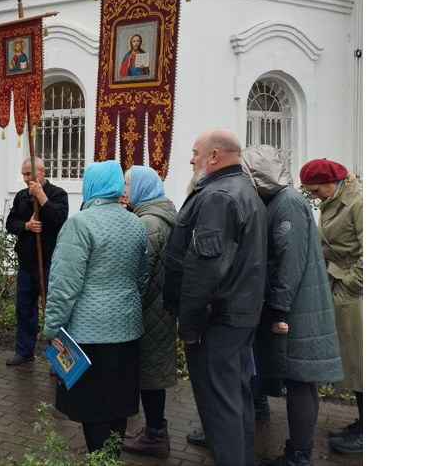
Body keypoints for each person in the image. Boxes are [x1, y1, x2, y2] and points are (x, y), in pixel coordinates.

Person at [162, 128, 268, 466]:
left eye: (195, 152)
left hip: (217, 322)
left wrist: (190, 328)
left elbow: (204, 270)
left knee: (220, 408)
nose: (191, 160)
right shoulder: (241, 190)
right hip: (237, 316)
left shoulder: (220, 196)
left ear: (214, 156)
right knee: (235, 400)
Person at [235, 145, 344, 466]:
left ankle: (299, 456)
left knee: (300, 379)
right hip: (298, 307)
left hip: (298, 311)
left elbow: (289, 263)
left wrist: (280, 310)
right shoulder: (282, 202)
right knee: (298, 377)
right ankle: (298, 452)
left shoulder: (288, 205)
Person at [43, 160, 149, 457]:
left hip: (88, 336)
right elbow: (142, 279)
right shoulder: (135, 222)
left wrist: (52, 328)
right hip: (127, 332)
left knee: (93, 410)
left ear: (91, 186)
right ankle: (111, 459)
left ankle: (101, 460)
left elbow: (64, 284)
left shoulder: (80, 223)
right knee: (117, 407)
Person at [300, 158, 363, 456]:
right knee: (354, 364)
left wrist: (350, 285)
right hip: (341, 286)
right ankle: (362, 423)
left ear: (331, 182)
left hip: (356, 292)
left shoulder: (358, 203)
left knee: (362, 363)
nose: (314, 196)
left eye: (315, 190)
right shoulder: (334, 199)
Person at [120, 165, 178, 458]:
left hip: (148, 310)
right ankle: (156, 431)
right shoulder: (159, 215)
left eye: (128, 185)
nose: (124, 192)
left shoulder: (148, 224)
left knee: (151, 373)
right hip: (159, 307)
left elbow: (136, 273)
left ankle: (156, 435)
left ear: (142, 188)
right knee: (153, 370)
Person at [5, 157, 69, 366]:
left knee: (54, 310)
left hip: (50, 263)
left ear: (41, 172)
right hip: (27, 262)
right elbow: (10, 223)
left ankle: (59, 358)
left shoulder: (58, 194)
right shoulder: (22, 196)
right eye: (23, 174)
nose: (25, 179)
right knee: (24, 309)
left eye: (29, 174)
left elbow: (59, 218)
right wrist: (26, 226)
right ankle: (24, 351)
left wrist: (42, 197)